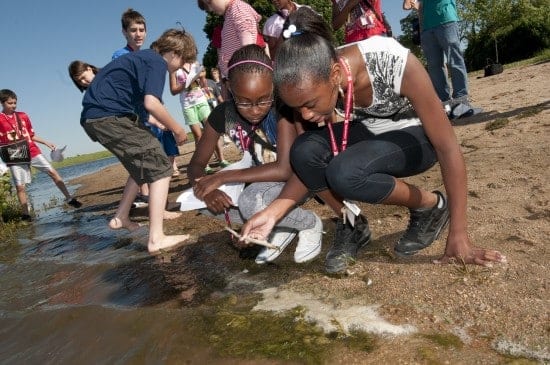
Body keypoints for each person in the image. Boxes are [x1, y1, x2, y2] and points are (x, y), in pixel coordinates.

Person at [239, 7, 506, 273]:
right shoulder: (320, 73)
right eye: (298, 108)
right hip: (371, 131)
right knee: (304, 150)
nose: (305, 114)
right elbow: (306, 168)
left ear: (334, 76)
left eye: (309, 104)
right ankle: (351, 223)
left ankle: (431, 205)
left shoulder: (392, 60)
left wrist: (459, 236)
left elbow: (447, 147)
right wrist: (272, 213)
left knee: (344, 172)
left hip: (419, 137)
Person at [188, 44, 323, 264]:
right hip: (263, 183)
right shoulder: (222, 114)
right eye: (244, 102)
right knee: (203, 202)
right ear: (229, 87)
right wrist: (206, 191)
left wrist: (221, 177)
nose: (255, 110)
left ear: (272, 86)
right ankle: (281, 226)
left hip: (297, 180)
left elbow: (284, 169)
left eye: (262, 100)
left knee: (249, 201)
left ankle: (309, 223)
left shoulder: (282, 108)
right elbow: (196, 164)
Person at [79, 28, 196, 254]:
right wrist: (178, 129)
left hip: (95, 118)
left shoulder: (140, 60)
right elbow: (152, 102)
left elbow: (142, 108)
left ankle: (121, 216)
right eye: (183, 60)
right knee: (161, 166)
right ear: (173, 52)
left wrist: (159, 124)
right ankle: (156, 238)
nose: (181, 66)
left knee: (141, 164)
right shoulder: (156, 62)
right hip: (109, 117)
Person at [0, 89, 82, 222]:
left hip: (32, 150)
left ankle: (70, 199)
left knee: (53, 172)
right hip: (14, 154)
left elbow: (31, 135)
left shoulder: (23, 116)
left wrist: (46, 142)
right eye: (10, 103)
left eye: (15, 103)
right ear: (2, 103)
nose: (14, 105)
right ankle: (26, 214)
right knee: (20, 186)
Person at [403, 0, 481, 119]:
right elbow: (406, 6)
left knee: (454, 60)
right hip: (426, 27)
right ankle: (446, 103)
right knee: (434, 66)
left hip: (446, 20)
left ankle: (461, 101)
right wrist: (417, 6)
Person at [197, 0, 265, 99]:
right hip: (239, 79)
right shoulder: (229, 14)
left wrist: (248, 73)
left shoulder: (237, 8)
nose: (210, 9)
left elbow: (247, 40)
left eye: (209, 2)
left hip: (247, 77)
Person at [170, 62, 228, 174]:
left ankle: (222, 159)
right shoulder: (174, 69)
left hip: (201, 101)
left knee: (212, 131)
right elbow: (173, 90)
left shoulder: (195, 64)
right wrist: (191, 80)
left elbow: (204, 85)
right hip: (188, 105)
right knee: (198, 136)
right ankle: (204, 165)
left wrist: (202, 77)